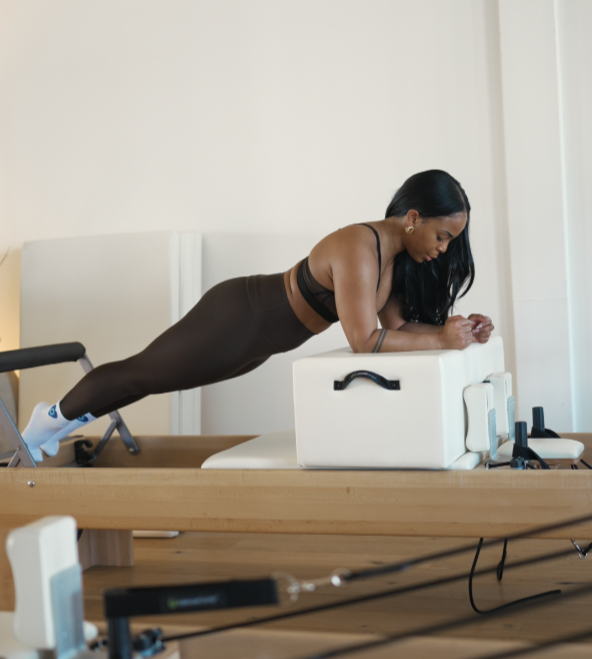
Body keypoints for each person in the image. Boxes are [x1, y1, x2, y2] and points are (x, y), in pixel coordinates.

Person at [23, 169, 493, 460]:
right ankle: (49, 419)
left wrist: (458, 331)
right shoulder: (359, 245)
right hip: (238, 318)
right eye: (442, 236)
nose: (443, 248)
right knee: (139, 373)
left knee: (151, 380)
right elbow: (364, 341)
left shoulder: (391, 261)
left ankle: (62, 424)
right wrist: (440, 340)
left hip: (257, 342)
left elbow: (398, 329)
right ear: (413, 218)